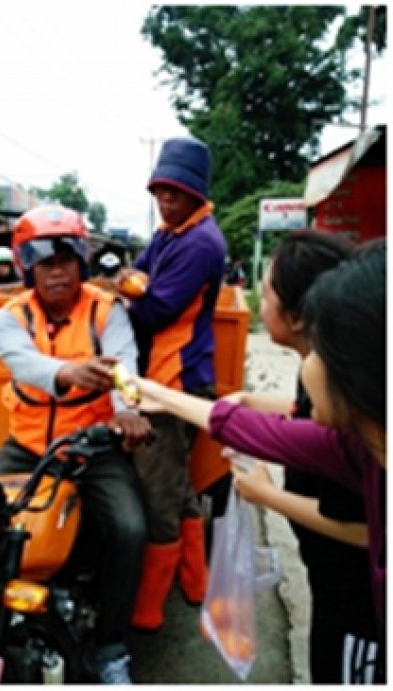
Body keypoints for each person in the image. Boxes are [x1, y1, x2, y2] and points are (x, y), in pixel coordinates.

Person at [118, 239, 386, 684]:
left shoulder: (351, 443)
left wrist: (267, 496)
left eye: (325, 349)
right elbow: (256, 427)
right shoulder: (356, 440)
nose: (309, 364)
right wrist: (164, 394)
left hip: (354, 614)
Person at [0, 204, 152, 684]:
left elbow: (125, 366)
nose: (57, 272)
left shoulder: (107, 310)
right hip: (26, 445)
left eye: (66, 260)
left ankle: (110, 648)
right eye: (45, 262)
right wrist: (69, 372)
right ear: (27, 267)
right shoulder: (9, 317)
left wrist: (128, 412)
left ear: (82, 261)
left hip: (92, 446)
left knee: (129, 528)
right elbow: (24, 365)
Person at [224, 230, 378, 684]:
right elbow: (304, 416)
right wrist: (253, 402)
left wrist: (266, 495)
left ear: (298, 315)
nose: (260, 304)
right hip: (330, 585)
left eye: (266, 293)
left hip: (358, 607)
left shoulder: (343, 394)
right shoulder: (328, 372)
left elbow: (370, 530)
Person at [115, 136, 227, 631]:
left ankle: (146, 610)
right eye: (160, 191)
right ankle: (196, 583)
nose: (165, 200)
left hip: (173, 379)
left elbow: (155, 309)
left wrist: (122, 304)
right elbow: (136, 276)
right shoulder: (169, 232)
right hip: (178, 377)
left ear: (197, 195)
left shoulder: (201, 242)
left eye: (175, 193)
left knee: (156, 490)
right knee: (179, 488)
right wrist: (128, 287)